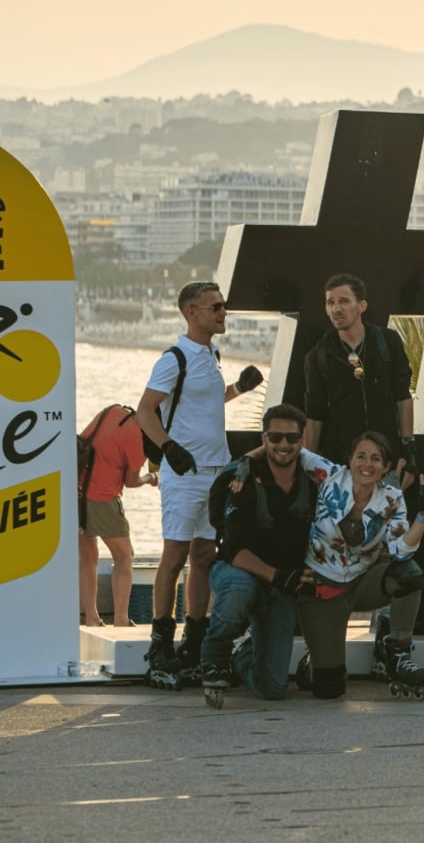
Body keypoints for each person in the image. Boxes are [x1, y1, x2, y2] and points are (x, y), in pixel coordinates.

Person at [136, 280, 263, 689]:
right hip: (184, 473)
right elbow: (145, 410)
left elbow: (204, 401)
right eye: (216, 307)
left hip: (216, 472)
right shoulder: (174, 358)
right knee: (174, 555)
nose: (223, 313)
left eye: (223, 306)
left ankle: (194, 642)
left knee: (204, 556)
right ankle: (160, 645)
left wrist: (239, 389)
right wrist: (168, 448)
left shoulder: (211, 353)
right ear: (192, 312)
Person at [198, 405, 330, 704]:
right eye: (275, 437)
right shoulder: (242, 480)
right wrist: (280, 576)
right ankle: (214, 656)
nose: (284, 444)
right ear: (264, 438)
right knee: (240, 588)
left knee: (272, 688)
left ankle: (241, 653)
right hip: (240, 572)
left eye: (292, 438)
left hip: (282, 587)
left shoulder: (314, 482)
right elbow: (234, 551)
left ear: (302, 440)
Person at [297, 431, 424, 700]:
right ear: (350, 460)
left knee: (408, 574)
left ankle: (398, 652)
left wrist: (423, 517)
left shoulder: (392, 498)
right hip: (322, 588)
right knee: (329, 688)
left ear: (386, 467)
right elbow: (289, 448)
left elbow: (400, 550)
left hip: (362, 583)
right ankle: (313, 658)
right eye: (361, 456)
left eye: (376, 459)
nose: (367, 464)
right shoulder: (330, 475)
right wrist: (243, 465)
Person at [303, 273, 417, 473]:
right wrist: (309, 467)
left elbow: (402, 396)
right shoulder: (318, 356)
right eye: (331, 303)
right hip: (340, 464)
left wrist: (408, 451)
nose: (336, 309)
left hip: (386, 460)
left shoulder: (387, 342)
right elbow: (314, 415)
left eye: (344, 301)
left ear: (362, 305)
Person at [78, 404, 155, 628]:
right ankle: (121, 619)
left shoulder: (111, 411)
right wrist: (150, 478)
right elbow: (131, 481)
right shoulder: (139, 440)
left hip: (74, 491)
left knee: (88, 556)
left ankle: (92, 618)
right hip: (101, 499)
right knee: (124, 555)